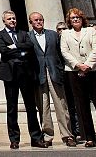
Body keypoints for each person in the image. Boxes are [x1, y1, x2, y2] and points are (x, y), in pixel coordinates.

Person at [60, 9, 96, 148]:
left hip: (94, 70)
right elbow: (64, 51)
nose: (75, 19)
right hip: (74, 72)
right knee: (82, 106)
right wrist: (78, 65)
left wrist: (87, 65)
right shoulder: (65, 34)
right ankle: (89, 137)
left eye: (77, 17)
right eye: (72, 18)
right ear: (69, 20)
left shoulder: (91, 31)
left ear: (82, 18)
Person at [0, 10, 47, 150]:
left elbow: (30, 47)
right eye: (9, 19)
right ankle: (14, 139)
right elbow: (4, 51)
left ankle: (36, 138)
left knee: (31, 106)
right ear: (4, 21)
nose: (12, 20)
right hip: (10, 74)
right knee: (12, 107)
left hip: (26, 73)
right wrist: (19, 49)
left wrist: (15, 46)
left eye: (14, 18)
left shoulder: (24, 33)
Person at [28, 12, 74, 147]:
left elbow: (61, 53)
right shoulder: (27, 37)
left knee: (61, 105)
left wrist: (60, 70)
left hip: (54, 73)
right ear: (31, 22)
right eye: (36, 20)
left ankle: (67, 135)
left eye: (41, 20)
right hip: (38, 75)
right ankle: (47, 136)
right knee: (43, 106)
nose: (39, 22)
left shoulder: (53, 35)